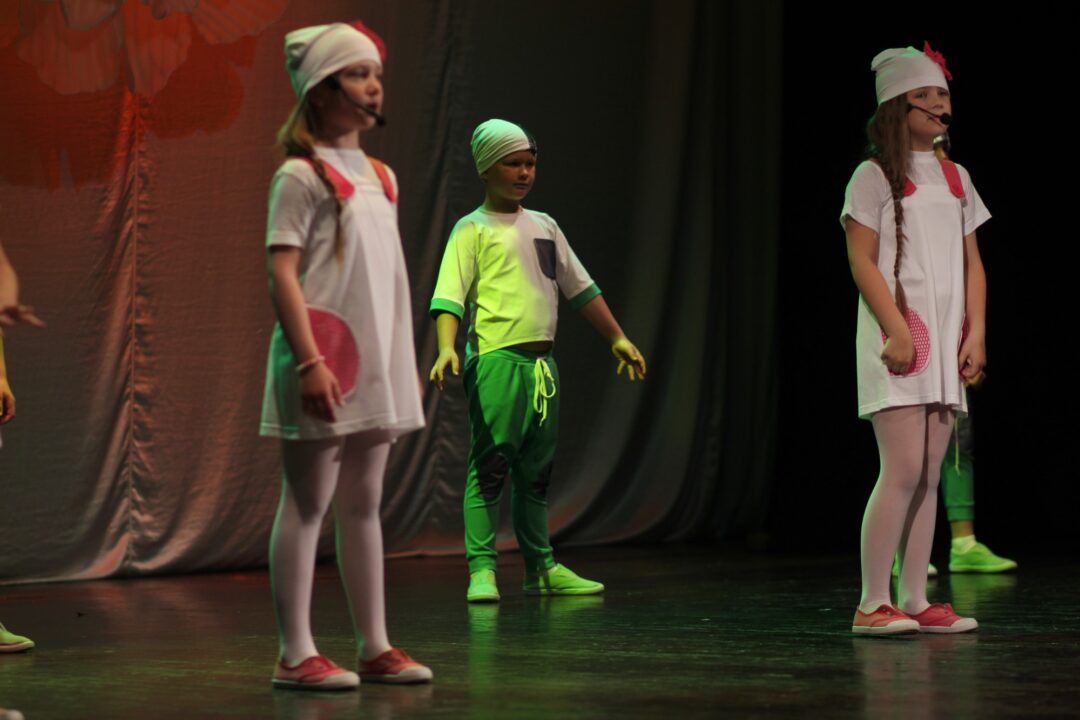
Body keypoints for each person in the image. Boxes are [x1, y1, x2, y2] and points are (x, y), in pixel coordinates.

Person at [260, 20, 431, 688]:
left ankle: (375, 644)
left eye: (375, 75)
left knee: (364, 501)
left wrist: (397, 364)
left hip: (373, 363)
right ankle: (294, 652)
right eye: (357, 74)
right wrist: (309, 362)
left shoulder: (382, 177)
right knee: (307, 501)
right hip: (322, 361)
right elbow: (281, 273)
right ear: (322, 89)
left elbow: (382, 284)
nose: (373, 86)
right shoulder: (300, 176)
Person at [429, 119, 647, 603]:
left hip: (542, 368)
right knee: (490, 466)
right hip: (496, 361)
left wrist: (617, 337)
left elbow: (580, 287)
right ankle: (482, 569)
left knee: (536, 471)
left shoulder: (545, 225)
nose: (524, 172)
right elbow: (450, 296)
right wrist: (447, 347)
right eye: (513, 163)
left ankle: (541, 568)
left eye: (530, 163)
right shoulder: (472, 229)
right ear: (487, 168)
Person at [842, 44, 986, 634]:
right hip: (900, 340)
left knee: (929, 473)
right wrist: (898, 329)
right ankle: (871, 601)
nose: (937, 104)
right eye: (923, 95)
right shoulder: (873, 175)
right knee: (901, 470)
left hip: (946, 346)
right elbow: (861, 260)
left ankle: (914, 598)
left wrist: (977, 331)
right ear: (896, 107)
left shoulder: (956, 176)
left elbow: (974, 264)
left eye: (942, 94)